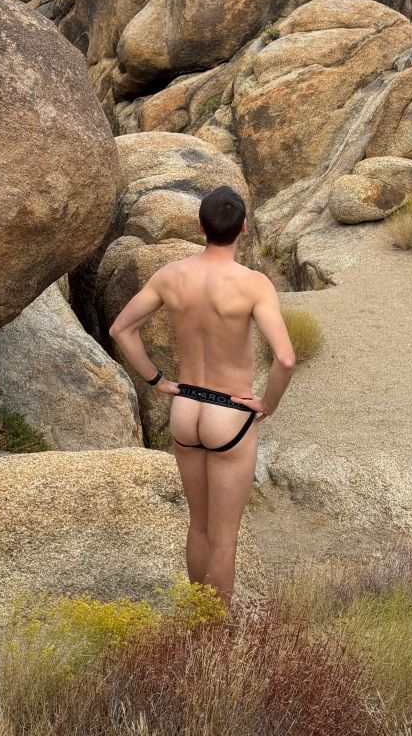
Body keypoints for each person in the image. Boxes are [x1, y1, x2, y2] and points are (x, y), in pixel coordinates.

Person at [109, 185, 296, 608]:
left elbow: (121, 329)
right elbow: (284, 357)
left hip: (186, 406)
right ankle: (216, 635)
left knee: (199, 525)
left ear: (200, 227)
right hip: (229, 412)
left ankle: (196, 618)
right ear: (243, 228)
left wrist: (156, 379)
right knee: (225, 537)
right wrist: (267, 404)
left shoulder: (171, 276)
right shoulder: (253, 285)